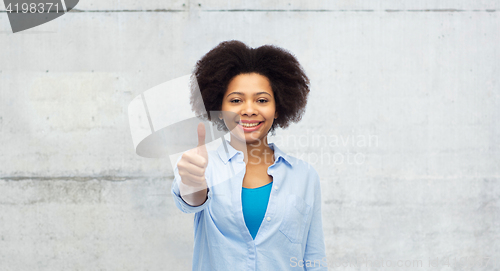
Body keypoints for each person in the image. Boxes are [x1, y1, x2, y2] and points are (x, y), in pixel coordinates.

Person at [171, 40, 328, 270]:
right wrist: (193, 182)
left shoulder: (304, 176)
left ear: (278, 108)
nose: (249, 109)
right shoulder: (202, 165)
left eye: (262, 100)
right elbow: (191, 199)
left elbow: (314, 257)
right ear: (220, 109)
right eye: (236, 100)